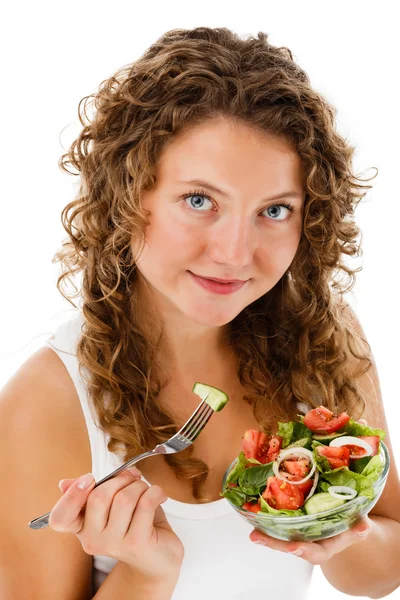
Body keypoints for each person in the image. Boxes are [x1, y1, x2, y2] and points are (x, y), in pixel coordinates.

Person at [0, 26, 399, 600]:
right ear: (131, 192)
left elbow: (379, 572)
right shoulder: (45, 404)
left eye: (275, 210)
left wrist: (335, 526)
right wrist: (147, 572)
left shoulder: (321, 336)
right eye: (199, 201)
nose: (235, 253)